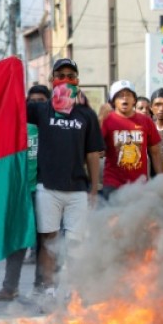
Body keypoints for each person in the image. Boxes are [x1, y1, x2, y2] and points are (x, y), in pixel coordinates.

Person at [27, 58, 103, 302]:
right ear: (52, 80)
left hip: (78, 190)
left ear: (77, 81)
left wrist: (93, 188)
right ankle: (48, 291)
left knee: (75, 244)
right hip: (47, 188)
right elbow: (10, 106)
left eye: (71, 75)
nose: (66, 79)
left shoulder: (86, 115)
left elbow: (93, 153)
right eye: (60, 75)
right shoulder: (41, 110)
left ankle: (70, 290)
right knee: (49, 241)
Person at [0, 85, 49, 302]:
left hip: (44, 189)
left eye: (41, 101)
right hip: (19, 192)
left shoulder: (50, 127)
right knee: (17, 240)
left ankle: (42, 285)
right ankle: (9, 287)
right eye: (32, 100)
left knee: (45, 240)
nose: (36, 105)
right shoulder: (13, 128)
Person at [100, 80, 162, 200]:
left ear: (134, 100)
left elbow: (155, 153)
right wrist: (100, 118)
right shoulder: (107, 120)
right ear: (113, 101)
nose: (125, 98)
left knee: (137, 218)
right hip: (113, 183)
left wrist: (160, 181)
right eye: (120, 95)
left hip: (139, 185)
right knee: (114, 218)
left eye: (128, 95)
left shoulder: (146, 121)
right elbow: (94, 146)